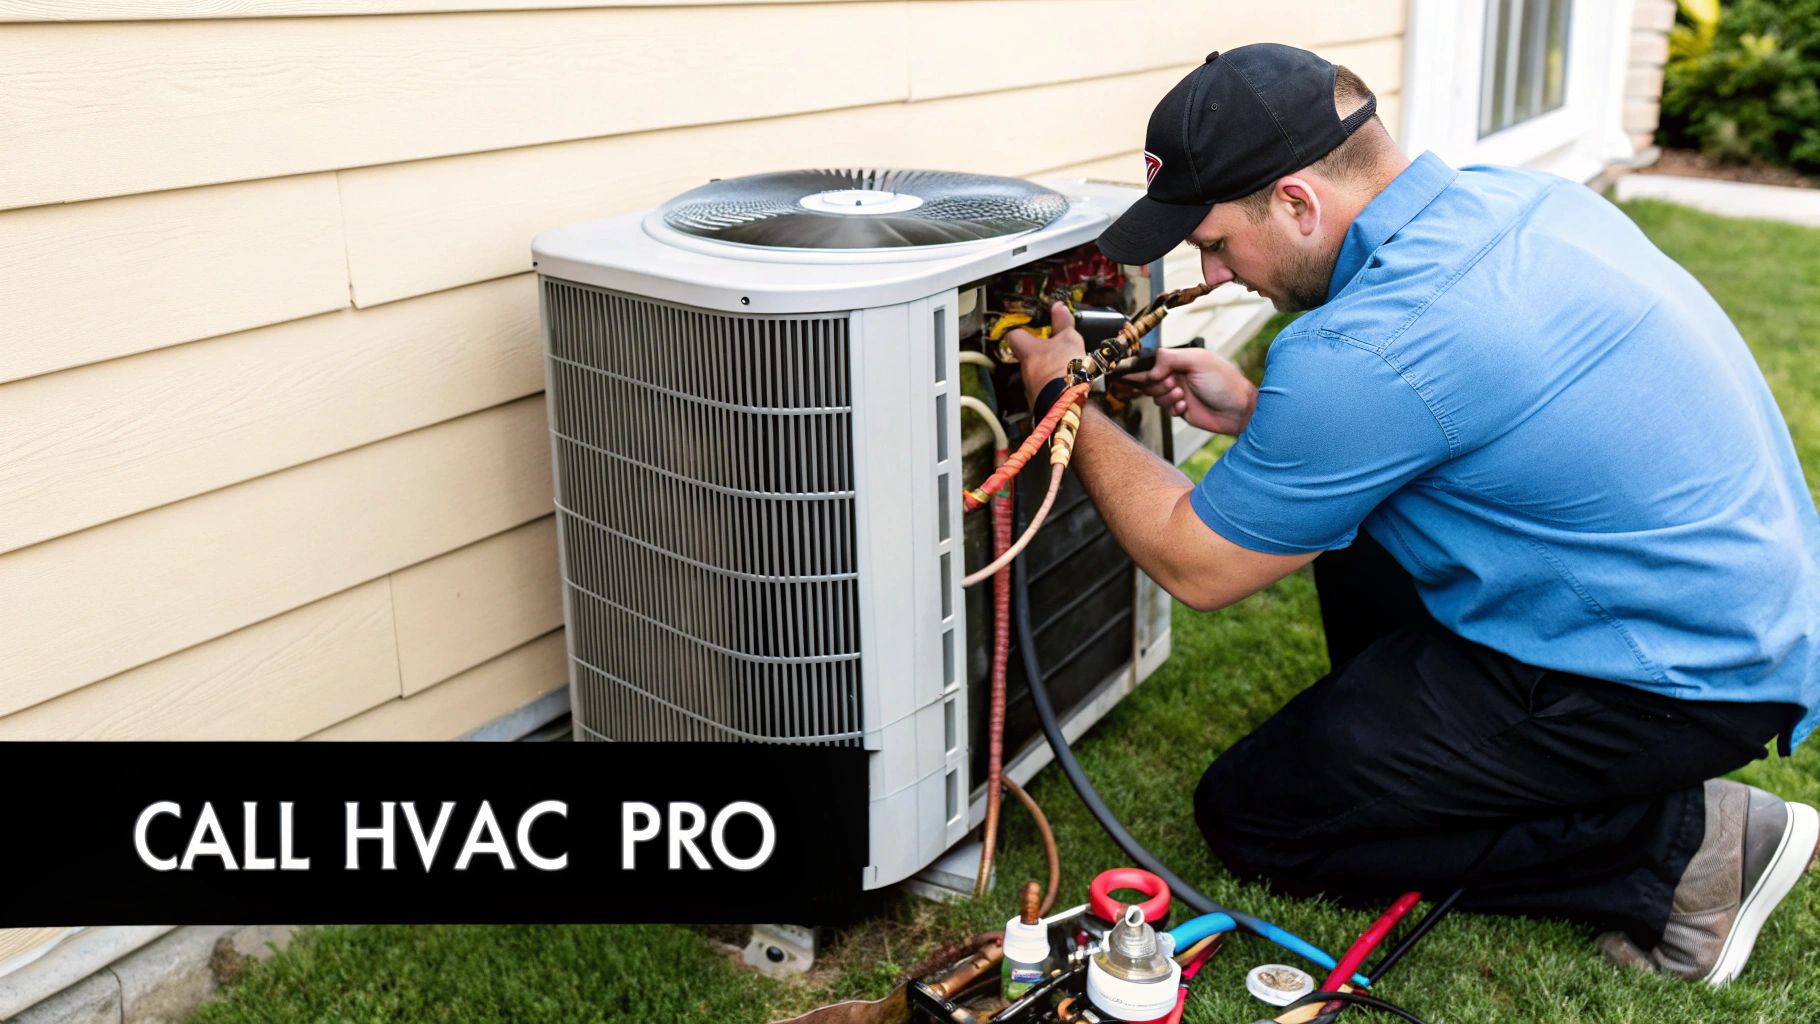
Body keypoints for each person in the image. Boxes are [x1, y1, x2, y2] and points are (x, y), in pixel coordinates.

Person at [1005, 43, 1820, 986]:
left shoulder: (1370, 345)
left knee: (1256, 816)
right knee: (1346, 528)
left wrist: (1065, 397)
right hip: (1747, 602)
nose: (1218, 273)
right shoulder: (1523, 201)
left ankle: (1683, 846)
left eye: (1217, 242)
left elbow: (1196, 565)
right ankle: (1445, 769)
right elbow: (1458, 412)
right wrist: (1263, 414)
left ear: (1299, 204)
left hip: (1676, 677)